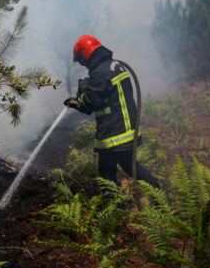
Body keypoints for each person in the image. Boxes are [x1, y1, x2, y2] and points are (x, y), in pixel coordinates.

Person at [64, 35, 160, 189]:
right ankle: (156, 189)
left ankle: (111, 205)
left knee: (107, 173)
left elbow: (90, 103)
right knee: (129, 166)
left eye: (82, 60)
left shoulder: (100, 73)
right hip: (125, 129)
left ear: (85, 55)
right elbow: (106, 96)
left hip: (114, 133)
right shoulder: (114, 66)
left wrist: (80, 97)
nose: (84, 64)